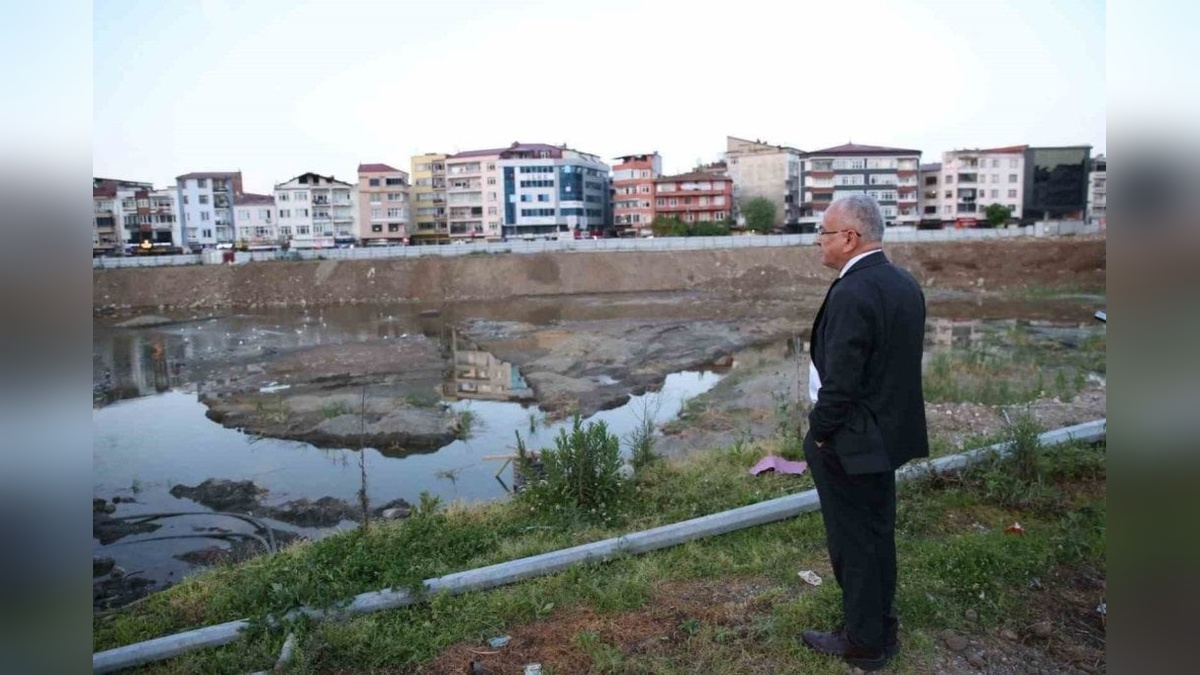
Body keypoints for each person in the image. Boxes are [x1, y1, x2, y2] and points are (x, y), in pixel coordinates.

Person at [800, 194, 929, 671]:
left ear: (850, 237)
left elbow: (841, 382)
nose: (819, 241)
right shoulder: (902, 283)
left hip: (851, 441)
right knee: (876, 537)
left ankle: (864, 642)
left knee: (852, 543)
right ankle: (880, 627)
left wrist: (820, 433)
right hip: (885, 437)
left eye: (824, 233)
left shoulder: (853, 291)